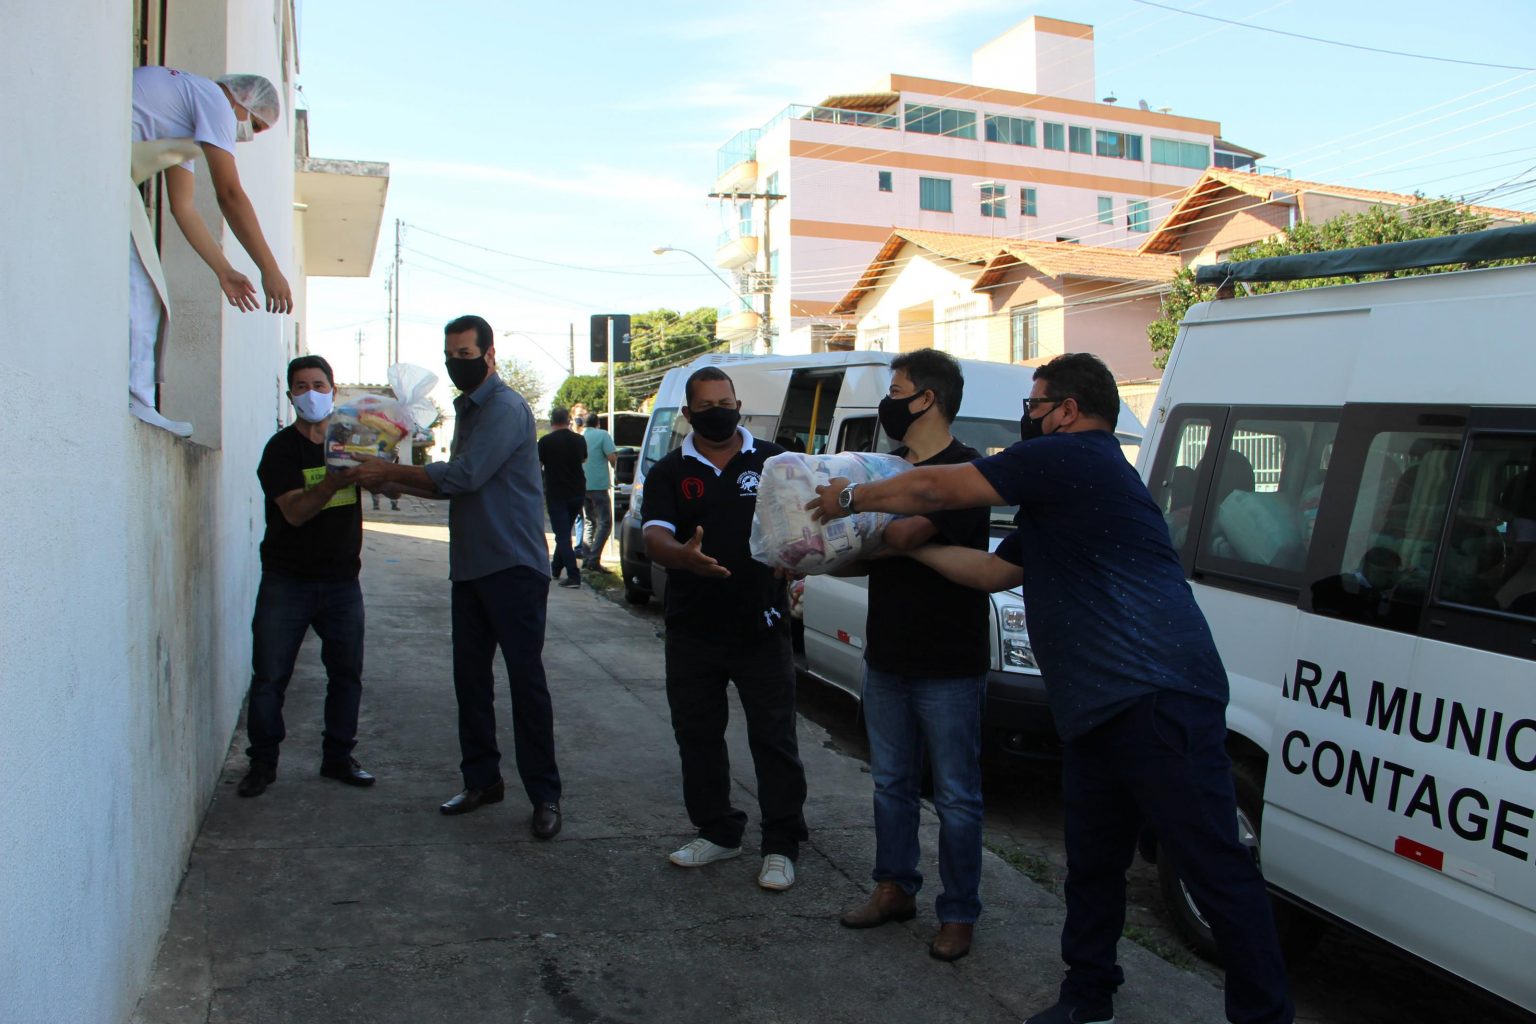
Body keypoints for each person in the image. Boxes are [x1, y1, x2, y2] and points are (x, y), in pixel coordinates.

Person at [808, 352, 1294, 1024]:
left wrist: (850, 499)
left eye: (1034, 406)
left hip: (1157, 696)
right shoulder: (1064, 493)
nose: (1027, 417)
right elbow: (991, 574)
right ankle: (1088, 997)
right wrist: (907, 547)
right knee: (1092, 864)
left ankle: (1263, 1016)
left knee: (1214, 867)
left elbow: (936, 490)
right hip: (1096, 707)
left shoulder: (1074, 456)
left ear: (1067, 411)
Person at [351, 315, 562, 839]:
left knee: (525, 683)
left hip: (512, 566)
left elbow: (464, 475)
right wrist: (400, 484)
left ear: (490, 355)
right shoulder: (467, 409)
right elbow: (459, 486)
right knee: (470, 681)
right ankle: (482, 781)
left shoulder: (505, 407)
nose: (455, 364)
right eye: (450, 356)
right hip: (471, 566)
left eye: (465, 355)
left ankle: (545, 795)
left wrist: (390, 472)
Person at [834, 350, 990, 963]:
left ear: (927, 398)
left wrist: (864, 523)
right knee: (890, 784)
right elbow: (855, 552)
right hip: (889, 654)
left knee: (956, 796)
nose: (889, 403)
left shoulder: (968, 471)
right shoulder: (887, 468)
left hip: (949, 662)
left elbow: (899, 534)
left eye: (897, 391)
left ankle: (959, 913)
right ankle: (894, 887)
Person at [641, 367, 809, 891]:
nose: (719, 412)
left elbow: (804, 524)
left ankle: (781, 844)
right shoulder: (669, 471)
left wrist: (800, 558)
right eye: (707, 406)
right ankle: (717, 831)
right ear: (688, 414)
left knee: (774, 738)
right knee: (697, 735)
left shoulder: (775, 461)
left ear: (739, 405)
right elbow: (653, 536)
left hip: (762, 626)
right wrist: (682, 557)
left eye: (726, 403)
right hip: (693, 629)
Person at [130, 66, 294, 437]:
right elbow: (230, 194)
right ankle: (135, 400)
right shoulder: (214, 101)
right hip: (102, 163)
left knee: (140, 289)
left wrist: (223, 269)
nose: (249, 136)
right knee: (143, 290)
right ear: (244, 101)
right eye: (255, 126)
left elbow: (183, 207)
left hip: (108, 166)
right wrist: (270, 269)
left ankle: (135, 396)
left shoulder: (184, 118)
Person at [238, 355, 372, 798]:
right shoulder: (280, 450)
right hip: (288, 581)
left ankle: (338, 757)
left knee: (346, 676)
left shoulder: (350, 441)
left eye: (319, 384)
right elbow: (295, 512)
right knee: (270, 676)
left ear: (334, 389)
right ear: (290, 395)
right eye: (301, 386)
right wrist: (334, 480)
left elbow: (385, 483)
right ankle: (262, 763)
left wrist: (387, 458)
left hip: (342, 582)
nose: (311, 394)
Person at [538, 408, 588, 589]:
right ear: (568, 421)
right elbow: (583, 460)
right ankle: (556, 568)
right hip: (577, 491)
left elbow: (538, 465)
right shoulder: (579, 440)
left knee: (562, 536)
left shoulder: (545, 442)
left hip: (556, 492)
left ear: (552, 422)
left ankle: (573, 576)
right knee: (565, 532)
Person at [578, 412, 619, 571]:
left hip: (582, 485)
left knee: (589, 521)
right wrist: (616, 470)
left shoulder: (579, 436)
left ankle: (586, 558)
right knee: (605, 523)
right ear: (598, 423)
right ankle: (594, 559)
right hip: (598, 486)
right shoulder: (602, 435)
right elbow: (612, 457)